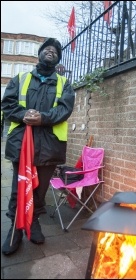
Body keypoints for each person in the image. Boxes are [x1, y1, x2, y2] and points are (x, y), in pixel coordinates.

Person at [1, 38, 75, 255]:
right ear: (40, 54)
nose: (50, 51)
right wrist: (24, 115)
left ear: (58, 59)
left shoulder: (64, 84)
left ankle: (33, 224)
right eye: (47, 49)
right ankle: (15, 230)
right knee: (19, 189)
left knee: (39, 190)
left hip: (49, 146)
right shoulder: (20, 79)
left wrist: (42, 118)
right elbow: (7, 104)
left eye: (55, 51)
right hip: (22, 144)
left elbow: (64, 109)